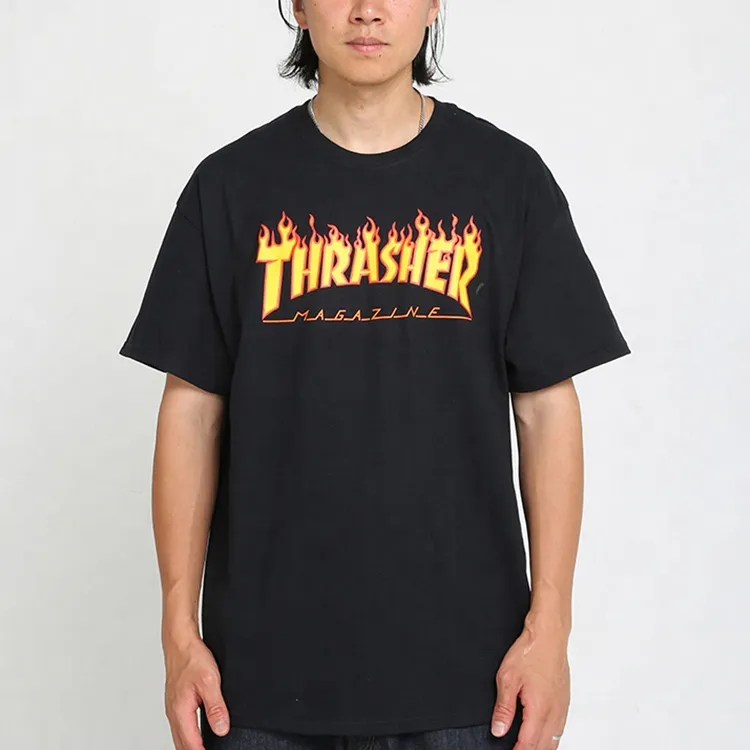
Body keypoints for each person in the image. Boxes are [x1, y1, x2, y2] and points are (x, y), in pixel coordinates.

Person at [119, 1, 631, 748]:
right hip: (259, 684)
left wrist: (551, 629)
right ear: (297, 6)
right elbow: (191, 411)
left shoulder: (507, 180)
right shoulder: (228, 187)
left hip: (473, 682)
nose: (367, 10)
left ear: (433, 4)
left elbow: (547, 409)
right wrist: (176, 630)